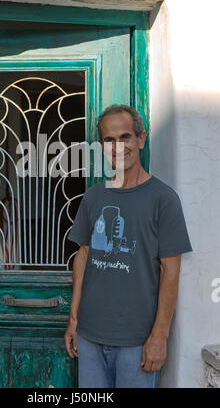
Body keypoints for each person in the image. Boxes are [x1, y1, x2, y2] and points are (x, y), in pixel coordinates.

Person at [64, 104, 193, 388]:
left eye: (125, 137)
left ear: (141, 139)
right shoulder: (94, 197)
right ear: (101, 146)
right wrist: (74, 319)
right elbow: (83, 256)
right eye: (109, 140)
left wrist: (160, 336)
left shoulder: (164, 199)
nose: (118, 146)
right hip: (89, 338)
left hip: (137, 344)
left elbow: (170, 272)